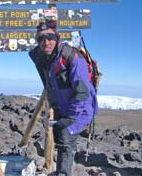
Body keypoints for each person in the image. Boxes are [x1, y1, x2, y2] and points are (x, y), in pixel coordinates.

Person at [29, 19, 98, 176]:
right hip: (61, 106)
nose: (46, 42)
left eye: (50, 38)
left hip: (78, 109)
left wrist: (72, 117)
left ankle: (63, 173)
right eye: (41, 39)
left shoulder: (72, 57)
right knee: (59, 139)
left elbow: (83, 92)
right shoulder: (43, 57)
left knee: (66, 141)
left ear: (57, 38)